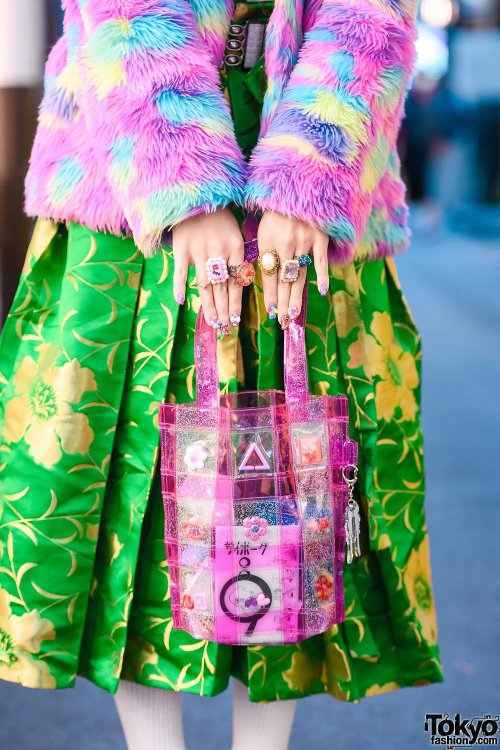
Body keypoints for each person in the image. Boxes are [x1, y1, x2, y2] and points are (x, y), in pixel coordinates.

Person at [0, 1, 445, 749]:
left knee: (294, 483)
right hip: (133, 154)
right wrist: (181, 174)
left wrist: (310, 163)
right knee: (139, 484)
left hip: (311, 140)